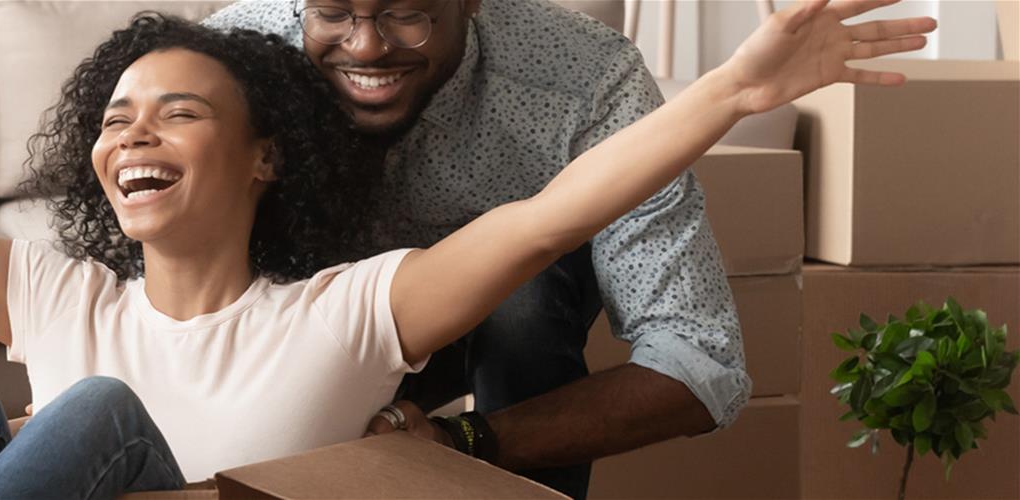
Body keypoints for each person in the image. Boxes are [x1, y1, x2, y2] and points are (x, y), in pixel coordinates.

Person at [0, 0, 933, 498]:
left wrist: (734, 94)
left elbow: (550, 216)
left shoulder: (345, 318)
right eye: (115, 117)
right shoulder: (49, 293)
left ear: (264, 156)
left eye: (179, 111)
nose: (134, 134)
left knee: (100, 414)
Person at [197, 0, 857, 495]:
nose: (367, 46)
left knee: (524, 291)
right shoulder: (224, 63)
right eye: (335, 11)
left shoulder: (584, 76)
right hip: (290, 322)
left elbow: (700, 364)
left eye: (407, 12)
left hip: (501, 330)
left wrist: (468, 440)